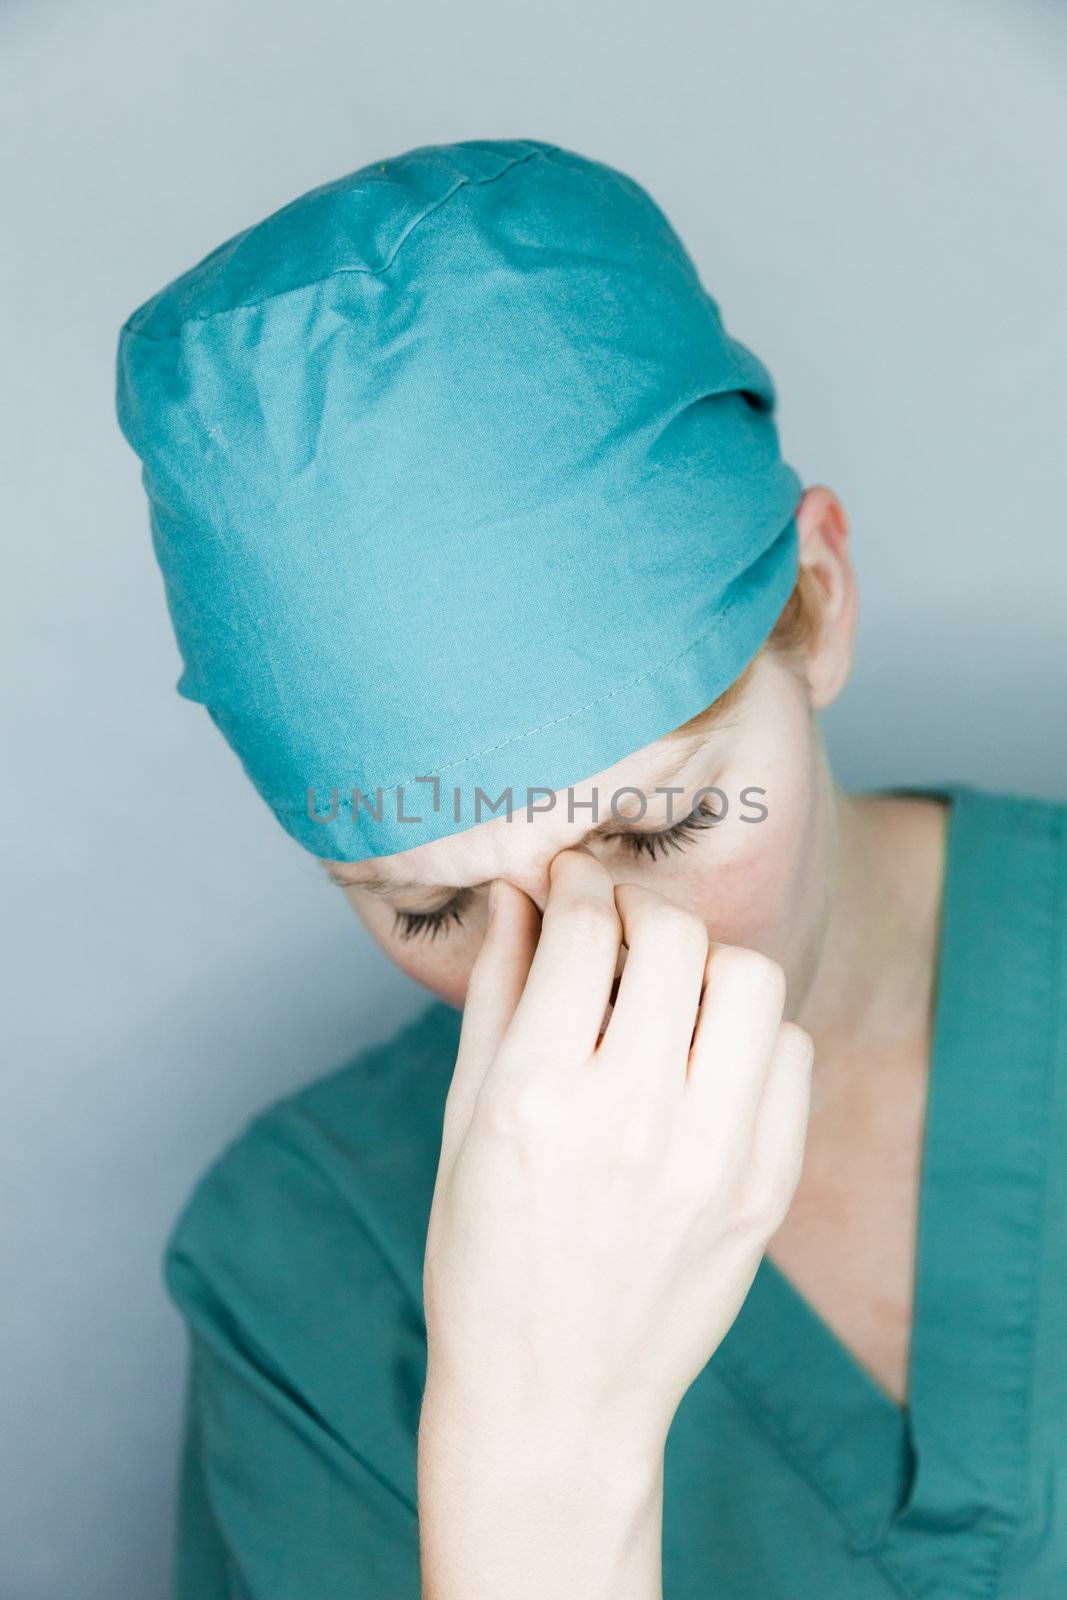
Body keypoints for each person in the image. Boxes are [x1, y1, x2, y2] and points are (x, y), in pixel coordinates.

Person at [115, 137, 1067, 1600]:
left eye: (655, 829)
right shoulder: (305, 1270)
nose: (582, 973)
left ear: (814, 602)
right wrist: (541, 1450)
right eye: (433, 905)